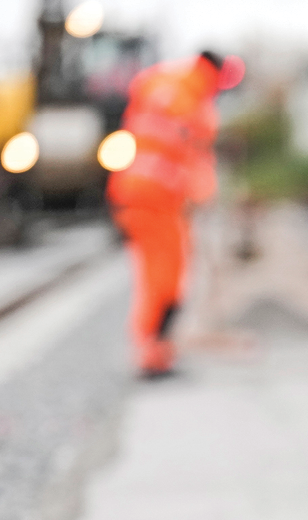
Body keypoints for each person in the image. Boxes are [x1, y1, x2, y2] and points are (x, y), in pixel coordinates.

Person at [107, 51, 224, 377]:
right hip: (163, 199)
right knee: (167, 278)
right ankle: (153, 353)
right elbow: (198, 157)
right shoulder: (197, 101)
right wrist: (204, 197)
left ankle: (153, 349)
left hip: (130, 193)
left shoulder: (156, 82)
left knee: (150, 276)